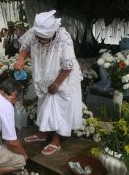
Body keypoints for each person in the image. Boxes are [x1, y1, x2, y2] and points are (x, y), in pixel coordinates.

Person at [14, 10, 83, 155]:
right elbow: (25, 47)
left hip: (64, 76)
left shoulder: (64, 38)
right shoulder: (35, 31)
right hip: (46, 74)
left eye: (42, 38)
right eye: (38, 37)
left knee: (59, 108)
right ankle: (42, 134)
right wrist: (20, 59)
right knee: (44, 103)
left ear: (52, 32)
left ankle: (56, 141)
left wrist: (57, 84)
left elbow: (68, 65)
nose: (38, 40)